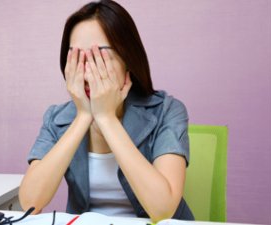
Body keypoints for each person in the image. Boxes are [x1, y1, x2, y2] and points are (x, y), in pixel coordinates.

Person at [19, 0, 194, 222]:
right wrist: (83, 116)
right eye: (76, 57)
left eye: (99, 55)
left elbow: (163, 209)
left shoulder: (167, 110)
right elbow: (30, 203)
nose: (87, 69)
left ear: (128, 59)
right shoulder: (57, 118)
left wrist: (106, 117)